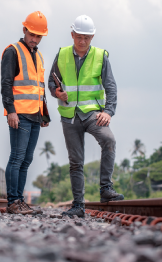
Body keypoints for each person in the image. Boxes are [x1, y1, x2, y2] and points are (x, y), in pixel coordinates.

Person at [49, 15, 124, 218]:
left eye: (87, 38)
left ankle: (105, 189)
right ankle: (78, 205)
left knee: (108, 140)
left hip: (92, 113)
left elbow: (111, 86)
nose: (82, 42)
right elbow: (51, 83)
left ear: (92, 37)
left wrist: (108, 111)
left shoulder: (100, 56)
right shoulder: (62, 54)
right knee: (76, 161)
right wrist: (57, 92)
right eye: (79, 37)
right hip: (69, 115)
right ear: (72, 34)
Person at [1, 11, 50, 215]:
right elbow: (6, 84)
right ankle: (13, 201)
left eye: (39, 36)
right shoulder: (13, 51)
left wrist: (44, 115)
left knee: (26, 159)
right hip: (19, 115)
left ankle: (20, 200)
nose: (35, 38)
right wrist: (10, 111)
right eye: (32, 34)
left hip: (35, 116)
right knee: (17, 157)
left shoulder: (38, 56)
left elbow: (39, 88)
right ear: (24, 30)